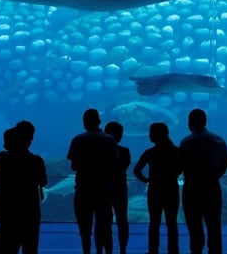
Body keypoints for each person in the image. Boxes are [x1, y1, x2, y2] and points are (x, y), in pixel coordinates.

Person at [67, 108, 119, 254]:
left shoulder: (78, 139)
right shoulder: (109, 139)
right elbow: (114, 164)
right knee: (103, 226)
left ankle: (86, 252)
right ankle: (102, 252)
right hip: (103, 189)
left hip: (83, 189)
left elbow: (72, 166)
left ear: (84, 123)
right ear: (99, 121)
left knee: (85, 229)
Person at [0, 121, 48, 254]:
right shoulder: (36, 160)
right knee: (30, 249)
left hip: (8, 211)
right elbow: (43, 182)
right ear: (30, 140)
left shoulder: (3, 157)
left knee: (5, 249)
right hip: (30, 212)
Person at [178, 108, 227, 254]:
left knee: (194, 229)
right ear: (205, 121)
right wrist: (215, 176)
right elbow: (225, 162)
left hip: (192, 188)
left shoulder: (186, 142)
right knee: (214, 227)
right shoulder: (218, 140)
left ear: (190, 123)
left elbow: (180, 164)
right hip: (212, 187)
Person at [133, 122, 181, 254]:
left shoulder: (150, 152)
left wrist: (147, 180)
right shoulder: (177, 151)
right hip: (171, 188)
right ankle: (174, 251)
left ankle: (153, 250)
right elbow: (182, 168)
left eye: (151, 133)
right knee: (172, 223)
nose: (149, 136)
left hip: (155, 189)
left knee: (154, 223)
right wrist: (174, 174)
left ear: (155, 135)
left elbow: (136, 170)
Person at [103, 121, 130, 254]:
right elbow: (124, 167)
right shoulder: (124, 151)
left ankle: (107, 250)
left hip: (103, 188)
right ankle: (123, 250)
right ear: (120, 135)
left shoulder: (100, 153)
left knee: (104, 221)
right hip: (119, 188)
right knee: (122, 219)